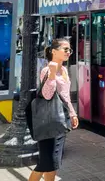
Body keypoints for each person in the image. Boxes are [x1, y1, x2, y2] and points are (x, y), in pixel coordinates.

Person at [29, 38, 79, 181]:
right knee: (45, 163)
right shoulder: (47, 69)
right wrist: (51, 74)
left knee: (52, 163)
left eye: (70, 50)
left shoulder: (63, 69)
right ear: (54, 51)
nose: (68, 52)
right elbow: (47, 94)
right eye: (65, 49)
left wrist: (72, 113)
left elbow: (65, 96)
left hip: (60, 121)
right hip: (48, 122)